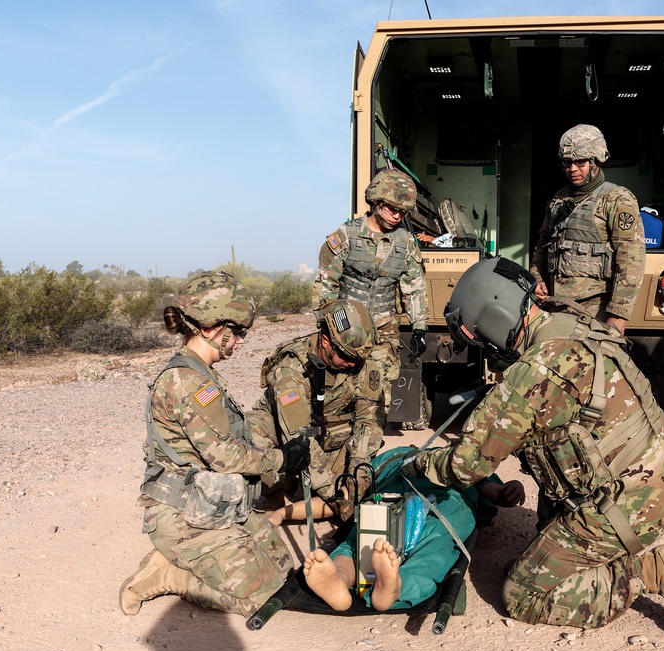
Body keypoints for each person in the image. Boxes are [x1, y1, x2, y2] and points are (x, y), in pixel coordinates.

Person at [396, 256, 664, 640]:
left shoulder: (534, 373)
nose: (488, 351)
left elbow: (465, 465)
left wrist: (414, 463)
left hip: (631, 500)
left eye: (483, 341)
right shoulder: (571, 323)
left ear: (495, 320)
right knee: (544, 529)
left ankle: (656, 569)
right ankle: (589, 553)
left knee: (522, 592)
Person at [119, 271, 312, 617]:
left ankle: (187, 560)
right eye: (236, 331)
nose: (240, 340)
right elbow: (225, 457)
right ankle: (172, 575)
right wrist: (281, 460)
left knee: (284, 570)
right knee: (263, 598)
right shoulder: (188, 382)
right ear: (209, 328)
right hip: (180, 514)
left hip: (211, 505)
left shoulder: (201, 372)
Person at [285, 446, 524, 611]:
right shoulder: (457, 459)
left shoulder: (392, 458)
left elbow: (338, 501)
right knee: (435, 549)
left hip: (409, 499)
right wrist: (281, 514)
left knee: (361, 541)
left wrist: (511, 489)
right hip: (442, 503)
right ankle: (354, 581)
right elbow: (339, 500)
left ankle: (358, 578)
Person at [313, 168, 431, 427]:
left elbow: (414, 288)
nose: (396, 216)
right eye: (391, 209)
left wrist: (419, 327)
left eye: (402, 212)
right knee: (341, 391)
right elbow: (327, 283)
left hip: (384, 330)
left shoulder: (406, 243)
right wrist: (324, 324)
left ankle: (367, 450)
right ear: (377, 203)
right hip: (345, 330)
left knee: (379, 396)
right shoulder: (347, 235)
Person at [248, 299, 382, 523]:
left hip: (328, 425)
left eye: (358, 359)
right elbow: (298, 434)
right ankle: (274, 496)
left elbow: (369, 419)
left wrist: (358, 471)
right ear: (326, 342)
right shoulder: (291, 369)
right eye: (347, 357)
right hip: (284, 428)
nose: (353, 364)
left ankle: (305, 484)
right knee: (254, 436)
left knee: (355, 488)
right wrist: (332, 493)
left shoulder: (359, 360)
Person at [529, 124, 645, 334]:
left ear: (595, 161)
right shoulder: (559, 199)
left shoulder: (617, 199)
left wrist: (618, 315)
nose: (572, 169)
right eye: (567, 163)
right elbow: (543, 245)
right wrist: (537, 279)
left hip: (595, 312)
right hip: (557, 307)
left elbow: (631, 261)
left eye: (580, 162)